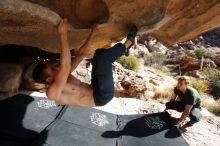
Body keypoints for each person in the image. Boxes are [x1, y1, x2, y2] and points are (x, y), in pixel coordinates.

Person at [33, 18, 138, 107]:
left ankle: (125, 49)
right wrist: (63, 34)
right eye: (51, 69)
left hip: (95, 85)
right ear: (48, 79)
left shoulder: (63, 75)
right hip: (101, 96)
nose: (55, 68)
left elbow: (80, 55)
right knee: (104, 58)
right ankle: (129, 42)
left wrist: (93, 33)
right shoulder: (52, 93)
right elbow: (65, 67)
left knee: (98, 54)